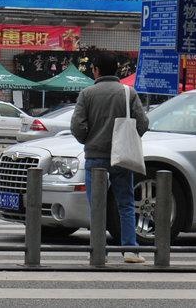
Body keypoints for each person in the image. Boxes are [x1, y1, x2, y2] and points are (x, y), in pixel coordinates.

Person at [70, 52, 149, 263]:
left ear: (96, 70)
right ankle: (130, 249)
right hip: (121, 156)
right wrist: (128, 138)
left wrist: (89, 138)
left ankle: (98, 250)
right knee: (125, 203)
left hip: (95, 157)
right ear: (116, 69)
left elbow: (76, 126)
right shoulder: (127, 92)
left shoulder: (87, 93)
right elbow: (143, 123)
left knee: (97, 205)